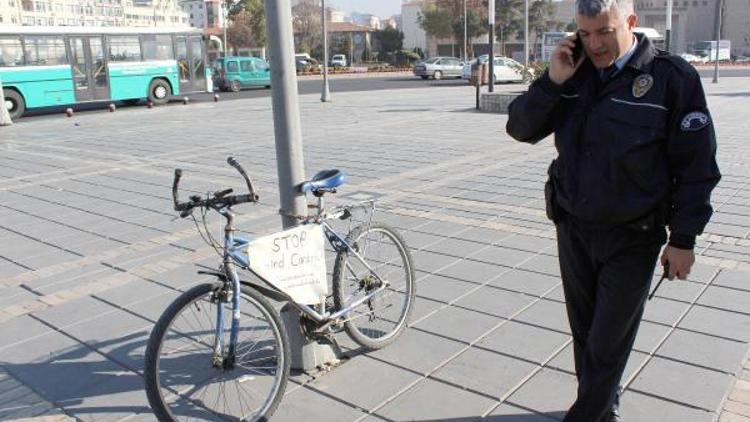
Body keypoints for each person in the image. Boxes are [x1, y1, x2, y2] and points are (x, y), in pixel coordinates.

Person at [506, 0, 720, 421]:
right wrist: (552, 81)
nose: (595, 44)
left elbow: (697, 166)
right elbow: (520, 128)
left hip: (633, 235)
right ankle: (603, 410)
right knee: (585, 337)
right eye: (585, 33)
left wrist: (683, 240)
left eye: (604, 31)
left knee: (607, 345)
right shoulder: (574, 72)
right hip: (574, 227)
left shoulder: (671, 78)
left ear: (631, 23)